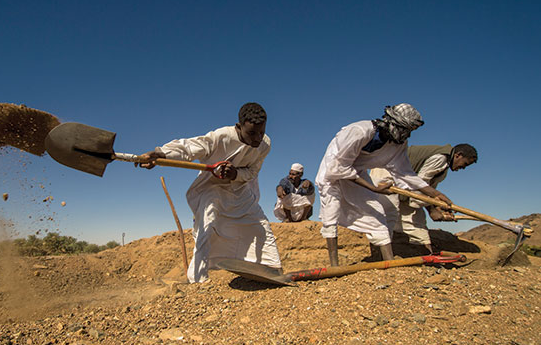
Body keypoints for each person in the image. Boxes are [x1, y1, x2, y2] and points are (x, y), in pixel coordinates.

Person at [137, 102, 281, 283]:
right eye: (251, 133)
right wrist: (161, 154)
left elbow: (252, 172)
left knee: (259, 224)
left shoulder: (265, 145)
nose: (257, 138)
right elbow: (191, 146)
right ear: (239, 127)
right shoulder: (222, 137)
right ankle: (198, 280)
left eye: (261, 132)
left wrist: (235, 173)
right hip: (211, 187)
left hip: (238, 189)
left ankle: (273, 270)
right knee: (207, 225)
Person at [314, 103, 453, 267]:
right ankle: (334, 266)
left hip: (356, 173)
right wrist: (373, 188)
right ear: (395, 124)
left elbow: (405, 173)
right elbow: (338, 167)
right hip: (332, 168)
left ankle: (389, 262)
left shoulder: (398, 145)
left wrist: (434, 194)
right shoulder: (360, 131)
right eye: (407, 130)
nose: (408, 135)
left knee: (377, 212)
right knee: (332, 209)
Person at [370, 143, 478, 253]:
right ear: (458, 155)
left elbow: (426, 193)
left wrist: (438, 209)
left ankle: (426, 256)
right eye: (464, 164)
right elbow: (420, 185)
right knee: (387, 216)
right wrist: (433, 209)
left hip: (405, 184)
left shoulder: (443, 169)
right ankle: (381, 256)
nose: (463, 168)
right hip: (387, 173)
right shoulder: (440, 158)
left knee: (417, 221)